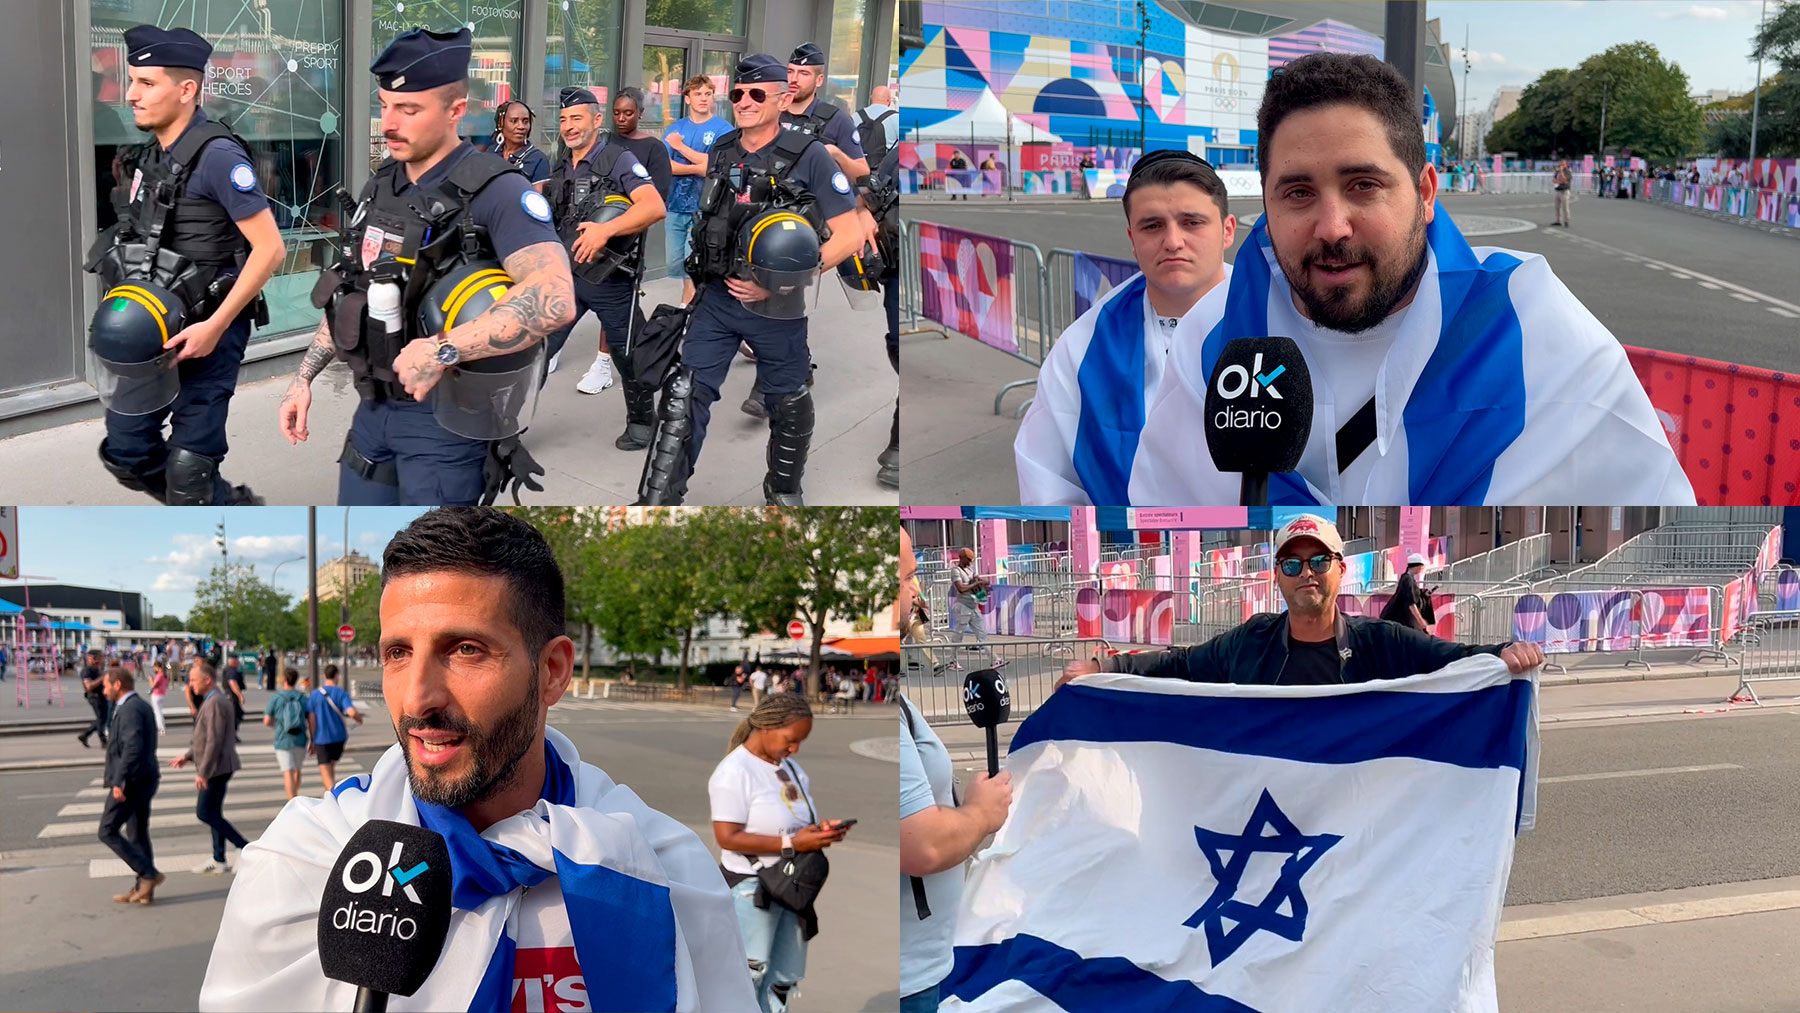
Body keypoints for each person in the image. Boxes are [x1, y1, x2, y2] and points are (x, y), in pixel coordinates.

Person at [198, 507, 755, 1010]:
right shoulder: (301, 864)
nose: (418, 699)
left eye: (465, 650)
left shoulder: (662, 871)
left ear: (553, 671)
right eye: (398, 653)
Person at [1132, 54, 1693, 506]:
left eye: (1363, 185)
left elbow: (1655, 528)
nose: (1332, 227)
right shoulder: (1213, 339)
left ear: (1425, 192)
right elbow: (1159, 513)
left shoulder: (1535, 323)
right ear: (1267, 202)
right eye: (1298, 193)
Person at [277, 26, 575, 507]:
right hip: (373, 412)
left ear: (456, 110)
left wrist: (442, 349)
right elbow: (355, 291)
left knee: (430, 563)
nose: (389, 123)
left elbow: (556, 298)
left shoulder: (498, 191)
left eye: (409, 109)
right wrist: (302, 378)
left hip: (447, 426)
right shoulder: (382, 186)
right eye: (385, 106)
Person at [636, 53, 863, 506]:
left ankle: (783, 493)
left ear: (784, 97)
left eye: (757, 93)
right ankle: (659, 500)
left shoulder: (809, 154)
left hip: (777, 309)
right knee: (684, 395)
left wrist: (785, 280)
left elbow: (850, 233)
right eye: (738, 93)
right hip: (716, 301)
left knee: (790, 404)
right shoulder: (722, 149)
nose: (744, 101)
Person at [86, 26, 285, 506]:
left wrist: (215, 327)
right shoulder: (145, 157)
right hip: (151, 331)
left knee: (189, 471)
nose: (131, 95)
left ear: (187, 89)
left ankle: (223, 509)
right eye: (130, 81)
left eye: (146, 83)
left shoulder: (219, 157)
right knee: (126, 453)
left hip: (211, 330)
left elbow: (271, 250)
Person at [1059, 515, 1544, 688]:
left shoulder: (1380, 642)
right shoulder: (1251, 642)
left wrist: (1502, 653)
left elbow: (1451, 660)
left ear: (1340, 568)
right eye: (1291, 565)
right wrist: (1104, 666)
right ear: (1277, 577)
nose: (1305, 573)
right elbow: (1182, 664)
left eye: (1318, 561)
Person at [1014, 150, 1237, 503]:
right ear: (1133, 240)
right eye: (1153, 226)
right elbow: (1048, 481)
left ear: (1227, 231)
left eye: (1192, 222)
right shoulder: (1082, 349)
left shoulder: (1281, 320)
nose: (1173, 241)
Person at [897, 527, 1014, 1013]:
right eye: (906, 578)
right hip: (908, 977)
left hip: (923, 964)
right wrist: (981, 814)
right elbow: (921, 844)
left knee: (969, 636)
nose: (916, 589)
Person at [708, 694, 851, 1012]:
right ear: (767, 727)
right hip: (752, 887)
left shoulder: (790, 768)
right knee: (749, 975)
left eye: (801, 741)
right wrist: (792, 844)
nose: (795, 748)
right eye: (791, 739)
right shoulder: (735, 772)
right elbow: (727, 837)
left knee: (782, 978)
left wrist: (818, 832)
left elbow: (792, 820)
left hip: (790, 885)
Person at [542, 86, 667, 432]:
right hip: (567, 278)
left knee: (630, 357)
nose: (568, 126)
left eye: (577, 118)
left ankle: (642, 422)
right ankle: (507, 431)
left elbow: (654, 207)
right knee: (536, 353)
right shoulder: (563, 164)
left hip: (609, 279)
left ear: (597, 121)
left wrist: (605, 231)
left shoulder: (618, 159)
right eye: (564, 119)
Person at [171, 658, 249, 874]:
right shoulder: (213, 699)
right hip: (218, 765)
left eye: (194, 680)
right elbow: (204, 739)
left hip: (217, 767)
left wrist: (203, 773)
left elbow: (213, 740)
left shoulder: (215, 702)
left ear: (207, 679)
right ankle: (219, 858)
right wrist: (187, 756)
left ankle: (243, 846)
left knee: (205, 813)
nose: (191, 684)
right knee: (214, 812)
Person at [664, 75, 734, 306]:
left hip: (705, 208)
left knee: (692, 261)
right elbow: (667, 166)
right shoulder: (675, 129)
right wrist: (698, 167)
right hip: (675, 205)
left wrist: (680, 147)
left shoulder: (723, 129)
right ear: (687, 98)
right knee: (675, 263)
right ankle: (699, 304)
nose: (704, 99)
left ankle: (688, 311)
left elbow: (714, 166)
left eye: (708, 94)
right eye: (698, 94)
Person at [98, 667, 165, 905]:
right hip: (142, 778)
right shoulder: (138, 706)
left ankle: (149, 875)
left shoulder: (131, 709)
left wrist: (120, 781)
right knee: (137, 832)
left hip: (132, 782)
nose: (104, 691)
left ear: (118, 685)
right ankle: (144, 888)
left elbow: (133, 747)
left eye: (106, 686)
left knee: (107, 830)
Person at [782, 42, 869, 184]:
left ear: (819, 80)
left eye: (804, 73)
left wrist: (836, 154)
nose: (794, 79)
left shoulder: (837, 119)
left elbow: (862, 174)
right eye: (790, 71)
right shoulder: (771, 113)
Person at [305, 663, 363, 792]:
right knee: (331, 767)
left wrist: (312, 739)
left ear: (324, 676)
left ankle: (333, 799)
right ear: (337, 676)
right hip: (339, 737)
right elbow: (351, 712)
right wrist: (359, 719)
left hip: (321, 738)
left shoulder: (315, 695)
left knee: (326, 772)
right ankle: (327, 795)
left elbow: (312, 720)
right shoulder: (341, 693)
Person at [477, 99, 551, 193]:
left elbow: (537, 201)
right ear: (501, 124)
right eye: (514, 121)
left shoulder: (538, 159)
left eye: (525, 121)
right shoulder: (491, 152)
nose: (521, 126)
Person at [261, 669, 311, 801]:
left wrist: (277, 726)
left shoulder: (277, 698)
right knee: (297, 769)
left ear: (284, 680)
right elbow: (311, 720)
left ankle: (292, 800)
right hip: (300, 739)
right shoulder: (302, 698)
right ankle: (296, 795)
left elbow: (266, 721)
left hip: (282, 739)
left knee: (287, 771)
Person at [948, 548, 989, 655]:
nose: (970, 562)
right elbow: (960, 588)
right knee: (958, 635)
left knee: (982, 634)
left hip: (973, 606)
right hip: (963, 606)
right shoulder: (956, 570)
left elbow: (980, 580)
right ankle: (953, 660)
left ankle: (995, 659)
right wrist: (975, 584)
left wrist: (983, 583)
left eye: (971, 560)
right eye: (969, 560)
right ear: (962, 558)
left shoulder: (971, 570)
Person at [1379, 552, 1432, 632]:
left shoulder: (1407, 577)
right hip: (1399, 619)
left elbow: (1411, 594)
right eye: (1421, 566)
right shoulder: (1407, 580)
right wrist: (1421, 621)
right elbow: (1411, 604)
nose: (1422, 568)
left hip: (1401, 619)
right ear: (1417, 566)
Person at [78, 648, 110, 748]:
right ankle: (103, 740)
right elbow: (89, 686)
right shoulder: (86, 671)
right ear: (93, 659)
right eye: (101, 657)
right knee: (101, 718)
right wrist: (103, 678)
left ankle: (85, 735)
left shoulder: (98, 669)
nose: (103, 660)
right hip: (95, 697)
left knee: (103, 718)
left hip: (102, 696)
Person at [221, 654, 246, 729]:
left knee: (236, 715)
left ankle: (231, 734)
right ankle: (231, 734)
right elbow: (233, 683)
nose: (238, 662)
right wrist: (240, 695)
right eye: (237, 661)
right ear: (233, 661)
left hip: (229, 696)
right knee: (236, 715)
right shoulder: (232, 671)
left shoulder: (228, 669)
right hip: (232, 696)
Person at [147, 660, 170, 733]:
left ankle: (161, 728)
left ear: (157, 667)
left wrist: (150, 680)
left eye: (155, 667)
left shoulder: (159, 675)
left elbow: (153, 685)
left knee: (157, 712)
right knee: (159, 711)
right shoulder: (165, 676)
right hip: (162, 694)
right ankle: (162, 726)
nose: (154, 669)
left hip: (156, 694)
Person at [1552, 158, 1572, 226]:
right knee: (1557, 207)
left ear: (1566, 165)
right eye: (1561, 164)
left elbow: (1565, 179)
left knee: (1565, 207)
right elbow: (1554, 179)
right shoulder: (1557, 171)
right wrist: (1560, 181)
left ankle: (1566, 221)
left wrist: (1562, 172)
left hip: (1564, 191)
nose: (1562, 165)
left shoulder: (1567, 172)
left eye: (1563, 164)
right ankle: (1558, 220)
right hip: (1558, 190)